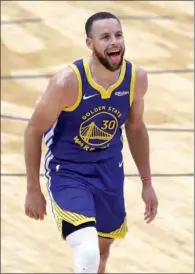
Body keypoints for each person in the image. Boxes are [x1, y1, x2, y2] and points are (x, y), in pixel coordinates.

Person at [24, 11, 158, 273]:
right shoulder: (67, 83)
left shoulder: (136, 79)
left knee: (102, 251)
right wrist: (32, 188)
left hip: (109, 170)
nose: (114, 42)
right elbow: (33, 130)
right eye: (105, 37)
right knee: (87, 250)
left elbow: (136, 126)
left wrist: (147, 183)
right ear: (90, 44)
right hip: (68, 170)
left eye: (118, 35)